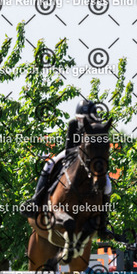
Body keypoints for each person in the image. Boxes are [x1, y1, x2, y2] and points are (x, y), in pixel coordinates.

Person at [21, 100, 112, 236]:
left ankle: (103, 223)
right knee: (49, 164)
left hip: (91, 161)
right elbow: (69, 147)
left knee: (108, 184)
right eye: (82, 119)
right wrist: (81, 153)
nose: (84, 122)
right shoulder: (73, 125)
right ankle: (36, 201)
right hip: (73, 155)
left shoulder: (97, 129)